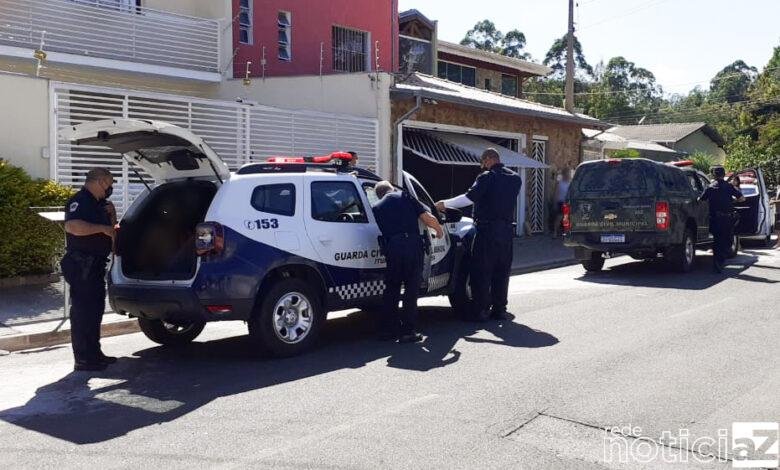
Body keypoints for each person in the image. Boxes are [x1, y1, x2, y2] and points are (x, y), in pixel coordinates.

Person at [435, 148, 522, 321]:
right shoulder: (515, 178)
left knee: (482, 270)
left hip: (487, 230)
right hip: (506, 232)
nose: (482, 167)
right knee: (502, 271)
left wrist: (444, 204)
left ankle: (481, 310)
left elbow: (468, 198)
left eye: (483, 163)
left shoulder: (486, 177)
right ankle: (500, 309)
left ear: (489, 160)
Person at [372, 180, 443, 343]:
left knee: (392, 289)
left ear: (379, 194)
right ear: (391, 189)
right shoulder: (404, 196)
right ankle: (407, 332)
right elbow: (427, 218)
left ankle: (387, 331)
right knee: (411, 290)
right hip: (411, 246)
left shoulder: (377, 207)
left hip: (392, 249)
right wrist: (438, 230)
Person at [61, 168, 118, 371]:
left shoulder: (100, 204)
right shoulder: (80, 201)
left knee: (95, 311)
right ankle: (83, 358)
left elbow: (112, 232)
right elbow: (72, 226)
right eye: (110, 183)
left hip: (95, 265)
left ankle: (94, 354)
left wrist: (112, 216)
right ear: (100, 181)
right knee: (83, 312)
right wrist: (101, 228)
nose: (111, 188)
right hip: (81, 264)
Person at [699, 166, 745, 273]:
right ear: (724, 175)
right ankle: (720, 261)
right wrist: (732, 201)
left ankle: (717, 262)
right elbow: (742, 198)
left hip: (715, 218)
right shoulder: (729, 187)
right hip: (728, 218)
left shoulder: (710, 187)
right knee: (727, 240)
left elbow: (701, 200)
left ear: (714, 175)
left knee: (717, 240)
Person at [552, 169, 572, 238]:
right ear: (563, 175)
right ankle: (555, 232)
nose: (568, 175)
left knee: (566, 218)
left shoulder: (571, 183)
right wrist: (554, 203)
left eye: (569, 174)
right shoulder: (559, 183)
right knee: (559, 218)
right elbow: (556, 194)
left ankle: (565, 233)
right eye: (567, 174)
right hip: (560, 202)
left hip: (567, 202)